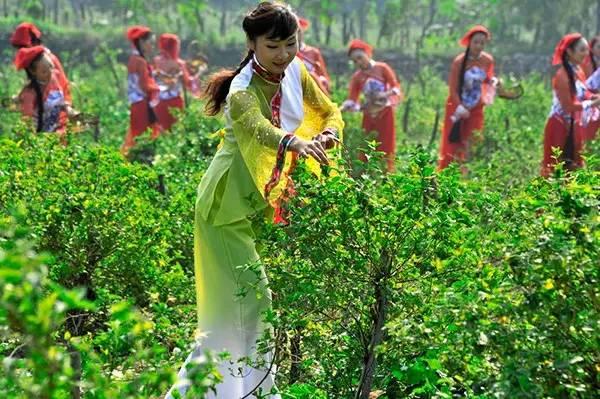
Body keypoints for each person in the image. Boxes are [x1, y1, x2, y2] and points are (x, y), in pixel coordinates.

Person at [166, 3, 343, 398]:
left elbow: (330, 111)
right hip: (223, 206)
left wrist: (328, 134)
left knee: (241, 308)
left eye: (290, 44)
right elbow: (258, 127)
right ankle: (236, 391)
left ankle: (238, 389)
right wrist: (295, 141)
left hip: (249, 206)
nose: (283, 54)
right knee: (250, 302)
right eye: (272, 45)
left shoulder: (296, 72)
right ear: (252, 43)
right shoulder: (242, 90)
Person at [437, 25, 497, 171]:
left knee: (474, 140)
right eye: (476, 42)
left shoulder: (487, 60)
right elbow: (453, 88)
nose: (479, 46)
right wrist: (459, 107)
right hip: (457, 107)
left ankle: (470, 175)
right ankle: (448, 174)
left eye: (482, 43)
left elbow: (487, 78)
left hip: (476, 107)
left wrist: (494, 82)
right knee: (454, 142)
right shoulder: (459, 62)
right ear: (469, 42)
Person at [541, 33, 600, 177]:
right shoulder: (562, 75)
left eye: (587, 50)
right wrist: (592, 103)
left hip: (574, 125)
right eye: (582, 50)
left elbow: (583, 92)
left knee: (574, 166)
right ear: (569, 52)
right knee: (555, 168)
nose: (586, 54)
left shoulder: (578, 71)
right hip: (559, 125)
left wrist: (594, 97)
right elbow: (569, 106)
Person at [341, 39, 403, 172]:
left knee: (386, 145)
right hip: (368, 114)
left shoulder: (382, 68)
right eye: (355, 61)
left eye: (360, 58)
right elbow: (353, 98)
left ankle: (387, 174)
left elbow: (395, 87)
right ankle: (365, 173)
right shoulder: (357, 77)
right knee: (366, 144)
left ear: (367, 54)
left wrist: (385, 95)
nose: (358, 62)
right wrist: (344, 106)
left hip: (385, 112)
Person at [14, 46, 74, 141]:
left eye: (51, 67)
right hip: (42, 140)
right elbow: (27, 122)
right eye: (44, 71)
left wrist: (68, 109)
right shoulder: (29, 93)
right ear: (33, 72)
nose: (50, 73)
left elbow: (61, 99)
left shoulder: (55, 77)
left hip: (59, 134)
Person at [10, 22, 72, 107]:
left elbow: (55, 88)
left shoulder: (45, 60)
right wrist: (20, 96)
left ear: (33, 42)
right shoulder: (34, 59)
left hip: (55, 105)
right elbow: (33, 82)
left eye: (23, 47)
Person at [121, 25, 161, 154]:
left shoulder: (133, 60)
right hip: (142, 104)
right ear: (142, 43)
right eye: (151, 43)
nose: (152, 47)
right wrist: (157, 88)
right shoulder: (141, 61)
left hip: (136, 104)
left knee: (136, 135)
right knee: (144, 136)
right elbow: (145, 85)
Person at [153, 33, 200, 131]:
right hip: (175, 102)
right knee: (177, 130)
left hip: (158, 103)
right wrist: (199, 73)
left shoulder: (155, 62)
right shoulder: (179, 64)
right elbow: (188, 83)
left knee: (161, 132)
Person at [296, 17, 331, 94]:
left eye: (299, 31)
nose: (296, 35)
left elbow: (322, 73)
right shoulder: (286, 53)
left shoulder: (313, 52)